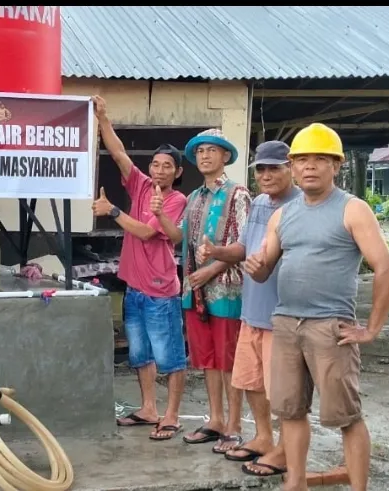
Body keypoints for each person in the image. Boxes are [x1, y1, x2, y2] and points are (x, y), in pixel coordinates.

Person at [244, 123, 389, 491]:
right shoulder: (283, 215)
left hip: (331, 328)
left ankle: (359, 488)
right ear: (292, 167)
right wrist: (257, 266)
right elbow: (265, 270)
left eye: (320, 159)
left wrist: (371, 329)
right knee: (290, 412)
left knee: (347, 416)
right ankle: (295, 483)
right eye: (302, 160)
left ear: (336, 166)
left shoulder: (352, 209)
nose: (309, 166)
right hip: (285, 323)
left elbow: (386, 269)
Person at [195, 141, 298, 477]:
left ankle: (285, 451)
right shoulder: (259, 204)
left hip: (282, 313)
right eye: (261, 169)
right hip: (251, 309)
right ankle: (264, 438)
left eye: (275, 168)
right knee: (252, 381)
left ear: (291, 168)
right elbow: (244, 248)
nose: (266, 175)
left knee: (282, 389)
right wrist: (216, 251)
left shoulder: (301, 205)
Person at [90, 96, 189, 441]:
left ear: (178, 173)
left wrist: (112, 211)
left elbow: (147, 232)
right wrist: (103, 118)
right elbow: (118, 153)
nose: (159, 170)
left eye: (167, 166)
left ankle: (172, 415)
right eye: (156, 164)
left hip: (161, 291)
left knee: (170, 357)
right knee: (140, 354)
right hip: (134, 288)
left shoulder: (177, 201)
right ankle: (149, 408)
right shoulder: (142, 185)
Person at [160, 128, 251, 453]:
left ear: (225, 156)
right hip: (195, 292)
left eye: (212, 150)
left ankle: (234, 425)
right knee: (208, 360)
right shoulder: (194, 198)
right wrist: (158, 213)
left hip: (226, 290)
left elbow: (244, 245)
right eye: (200, 152)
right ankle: (215, 419)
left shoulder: (238, 194)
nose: (205, 156)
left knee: (229, 361)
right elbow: (177, 237)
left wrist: (209, 269)